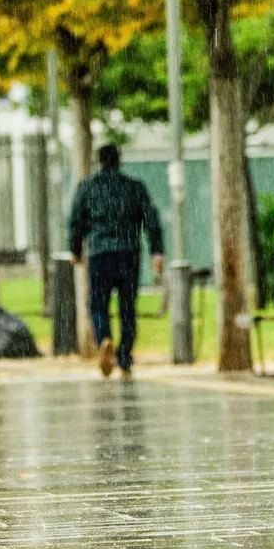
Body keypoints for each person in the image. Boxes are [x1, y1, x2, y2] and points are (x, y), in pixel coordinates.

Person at [68, 143, 164, 379]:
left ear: (98, 161)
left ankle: (104, 338)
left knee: (98, 303)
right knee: (128, 307)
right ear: (118, 161)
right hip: (128, 253)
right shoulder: (134, 187)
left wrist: (75, 249)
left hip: (100, 253)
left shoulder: (87, 188)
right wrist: (157, 251)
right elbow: (151, 220)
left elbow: (75, 220)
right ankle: (125, 357)